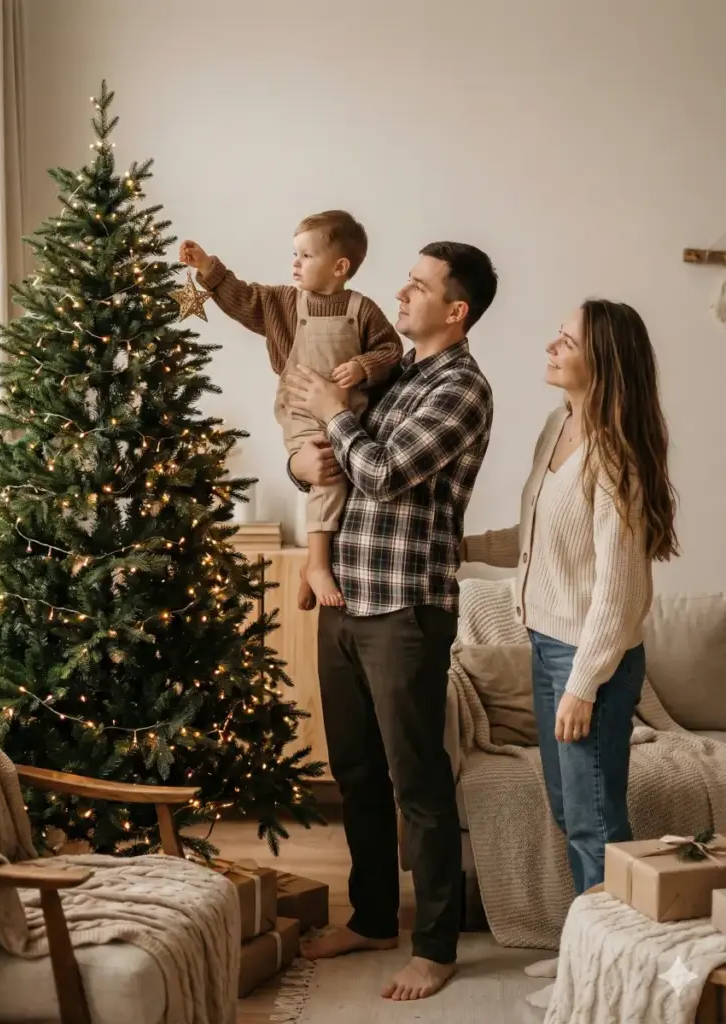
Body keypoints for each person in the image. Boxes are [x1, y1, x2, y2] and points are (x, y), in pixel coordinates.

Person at [283, 241, 497, 1001]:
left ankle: (434, 946)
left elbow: (379, 471)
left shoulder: (461, 388)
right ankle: (374, 918)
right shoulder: (393, 373)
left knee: (417, 781)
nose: (400, 296)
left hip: (404, 605)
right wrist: (300, 464)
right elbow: (328, 462)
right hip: (344, 599)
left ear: (455, 309)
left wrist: (335, 418)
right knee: (356, 775)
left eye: (417, 286)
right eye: (404, 283)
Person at [461, 298, 678, 1000]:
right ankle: (584, 947)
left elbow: (618, 596)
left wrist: (584, 684)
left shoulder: (614, 458)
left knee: (595, 822)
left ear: (602, 361)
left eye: (566, 341)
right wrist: (463, 549)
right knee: (566, 810)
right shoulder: (559, 427)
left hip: (590, 661)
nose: (550, 348)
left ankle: (603, 975)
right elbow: (535, 540)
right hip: (546, 647)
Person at [179, 210, 402, 611]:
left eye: (305, 255)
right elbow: (241, 297)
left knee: (352, 488)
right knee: (328, 479)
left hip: (347, 416)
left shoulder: (362, 310)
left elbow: (391, 351)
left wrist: (362, 366)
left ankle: (320, 568)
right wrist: (208, 267)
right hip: (301, 413)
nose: (295, 263)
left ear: (340, 266)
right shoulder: (283, 303)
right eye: (294, 254)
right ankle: (315, 564)